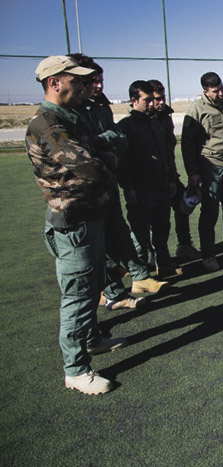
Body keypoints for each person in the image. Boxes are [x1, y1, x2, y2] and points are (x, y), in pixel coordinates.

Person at [26, 55, 126, 394]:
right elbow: (91, 169)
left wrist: (104, 145)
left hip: (89, 217)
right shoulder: (47, 125)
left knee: (92, 284)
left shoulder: (70, 119)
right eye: (77, 81)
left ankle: (92, 338)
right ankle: (76, 370)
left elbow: (91, 149)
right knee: (78, 296)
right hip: (73, 223)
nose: (85, 87)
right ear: (55, 83)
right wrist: (111, 155)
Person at [69, 54, 167, 311]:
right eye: (93, 81)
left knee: (118, 237)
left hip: (107, 182)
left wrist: (104, 143)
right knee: (98, 247)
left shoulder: (101, 107)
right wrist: (106, 144)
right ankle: (107, 292)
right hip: (84, 192)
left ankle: (124, 286)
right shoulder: (73, 111)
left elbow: (118, 141)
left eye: (100, 80)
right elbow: (86, 148)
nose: (98, 86)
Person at [181, 72, 223, 272]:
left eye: (221, 88)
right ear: (205, 92)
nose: (220, 93)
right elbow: (187, 144)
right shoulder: (196, 110)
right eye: (215, 91)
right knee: (209, 213)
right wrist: (193, 172)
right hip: (210, 168)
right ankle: (209, 255)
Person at [118, 80, 181, 277]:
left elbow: (166, 155)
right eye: (147, 100)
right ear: (133, 100)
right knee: (140, 233)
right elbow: (123, 161)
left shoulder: (156, 124)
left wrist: (171, 179)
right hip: (141, 189)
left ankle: (163, 264)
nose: (152, 104)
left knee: (162, 229)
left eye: (153, 100)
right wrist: (128, 187)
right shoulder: (126, 126)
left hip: (161, 186)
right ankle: (140, 273)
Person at [150, 79, 200, 262]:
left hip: (170, 175)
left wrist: (172, 177)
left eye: (163, 97)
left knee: (183, 207)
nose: (161, 102)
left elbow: (169, 152)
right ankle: (156, 257)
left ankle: (184, 246)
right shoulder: (143, 122)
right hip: (152, 180)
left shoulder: (165, 118)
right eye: (157, 99)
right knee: (155, 220)